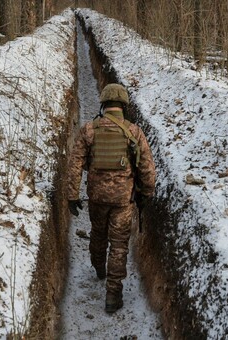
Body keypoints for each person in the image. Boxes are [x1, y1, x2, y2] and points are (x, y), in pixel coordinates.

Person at [67, 83, 156, 313]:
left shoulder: (89, 130)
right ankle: (113, 294)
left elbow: (75, 163)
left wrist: (71, 195)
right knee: (118, 245)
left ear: (103, 104)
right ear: (123, 105)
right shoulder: (133, 132)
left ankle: (99, 267)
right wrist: (146, 194)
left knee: (98, 233)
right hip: (122, 200)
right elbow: (147, 168)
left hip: (96, 198)